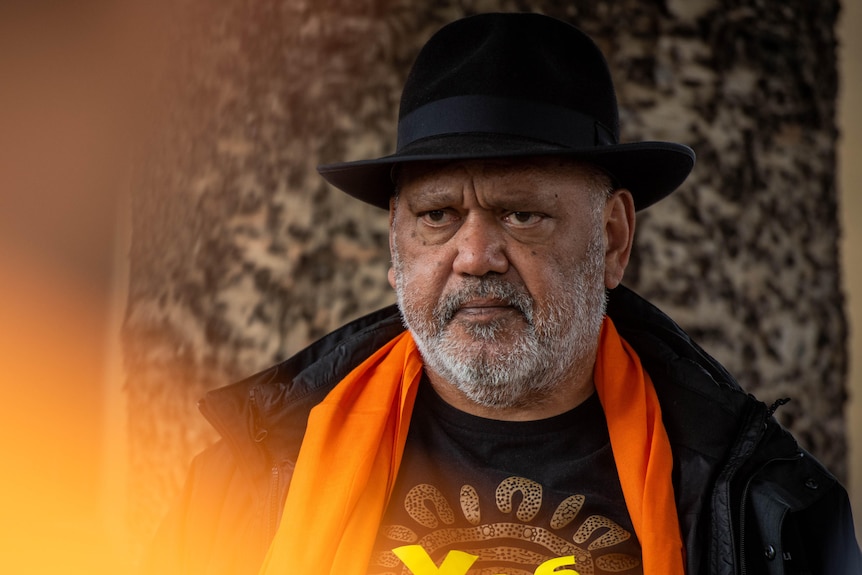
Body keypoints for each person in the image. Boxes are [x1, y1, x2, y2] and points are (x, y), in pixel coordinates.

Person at [142, 12, 861, 575]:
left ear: (612, 239)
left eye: (522, 213)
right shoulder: (248, 478)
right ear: (397, 250)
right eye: (437, 216)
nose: (476, 256)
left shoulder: (765, 507)